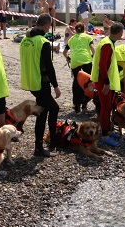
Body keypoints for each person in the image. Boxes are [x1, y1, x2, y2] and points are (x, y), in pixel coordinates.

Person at [20, 13, 61, 156]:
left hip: (29, 81)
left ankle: (45, 142)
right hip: (40, 82)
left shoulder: (25, 39)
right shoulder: (43, 42)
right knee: (50, 110)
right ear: (46, 26)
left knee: (44, 110)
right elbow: (49, 66)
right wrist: (56, 86)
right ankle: (45, 144)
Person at [90, 22, 123, 139]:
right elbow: (102, 65)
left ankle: (108, 128)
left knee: (107, 106)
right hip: (103, 80)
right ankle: (104, 134)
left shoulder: (107, 41)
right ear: (119, 33)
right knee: (106, 107)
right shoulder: (107, 44)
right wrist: (106, 82)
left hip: (104, 79)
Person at [68, 22, 95, 113]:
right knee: (88, 82)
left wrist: (68, 58)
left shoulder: (71, 39)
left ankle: (76, 105)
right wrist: (92, 57)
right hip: (86, 60)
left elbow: (64, 52)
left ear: (75, 30)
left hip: (75, 61)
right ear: (84, 29)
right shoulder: (88, 37)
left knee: (76, 82)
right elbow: (93, 49)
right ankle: (85, 104)